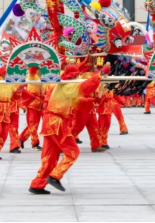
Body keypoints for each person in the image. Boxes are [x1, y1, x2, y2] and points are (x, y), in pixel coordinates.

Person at [29, 64, 108, 195]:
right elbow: (85, 87)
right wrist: (99, 74)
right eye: (77, 75)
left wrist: (94, 101)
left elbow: (77, 102)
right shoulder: (67, 85)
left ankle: (37, 184)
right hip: (57, 123)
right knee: (73, 152)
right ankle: (55, 176)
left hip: (50, 123)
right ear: (74, 76)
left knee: (49, 158)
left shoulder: (63, 86)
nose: (78, 77)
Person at [19, 67, 44, 151]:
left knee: (34, 125)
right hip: (32, 104)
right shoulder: (32, 76)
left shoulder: (42, 77)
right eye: (38, 69)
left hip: (40, 104)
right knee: (33, 124)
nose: (40, 70)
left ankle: (21, 138)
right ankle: (35, 143)